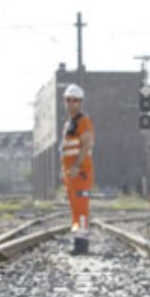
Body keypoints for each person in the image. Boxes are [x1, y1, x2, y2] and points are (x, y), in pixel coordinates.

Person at [60, 83, 94, 255]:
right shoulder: (69, 124)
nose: (71, 103)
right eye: (68, 100)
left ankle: (81, 244)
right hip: (72, 174)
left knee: (81, 209)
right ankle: (78, 241)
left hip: (80, 173)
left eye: (75, 100)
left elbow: (86, 145)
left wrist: (76, 166)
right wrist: (64, 171)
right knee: (75, 209)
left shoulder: (83, 122)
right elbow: (67, 150)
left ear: (80, 102)